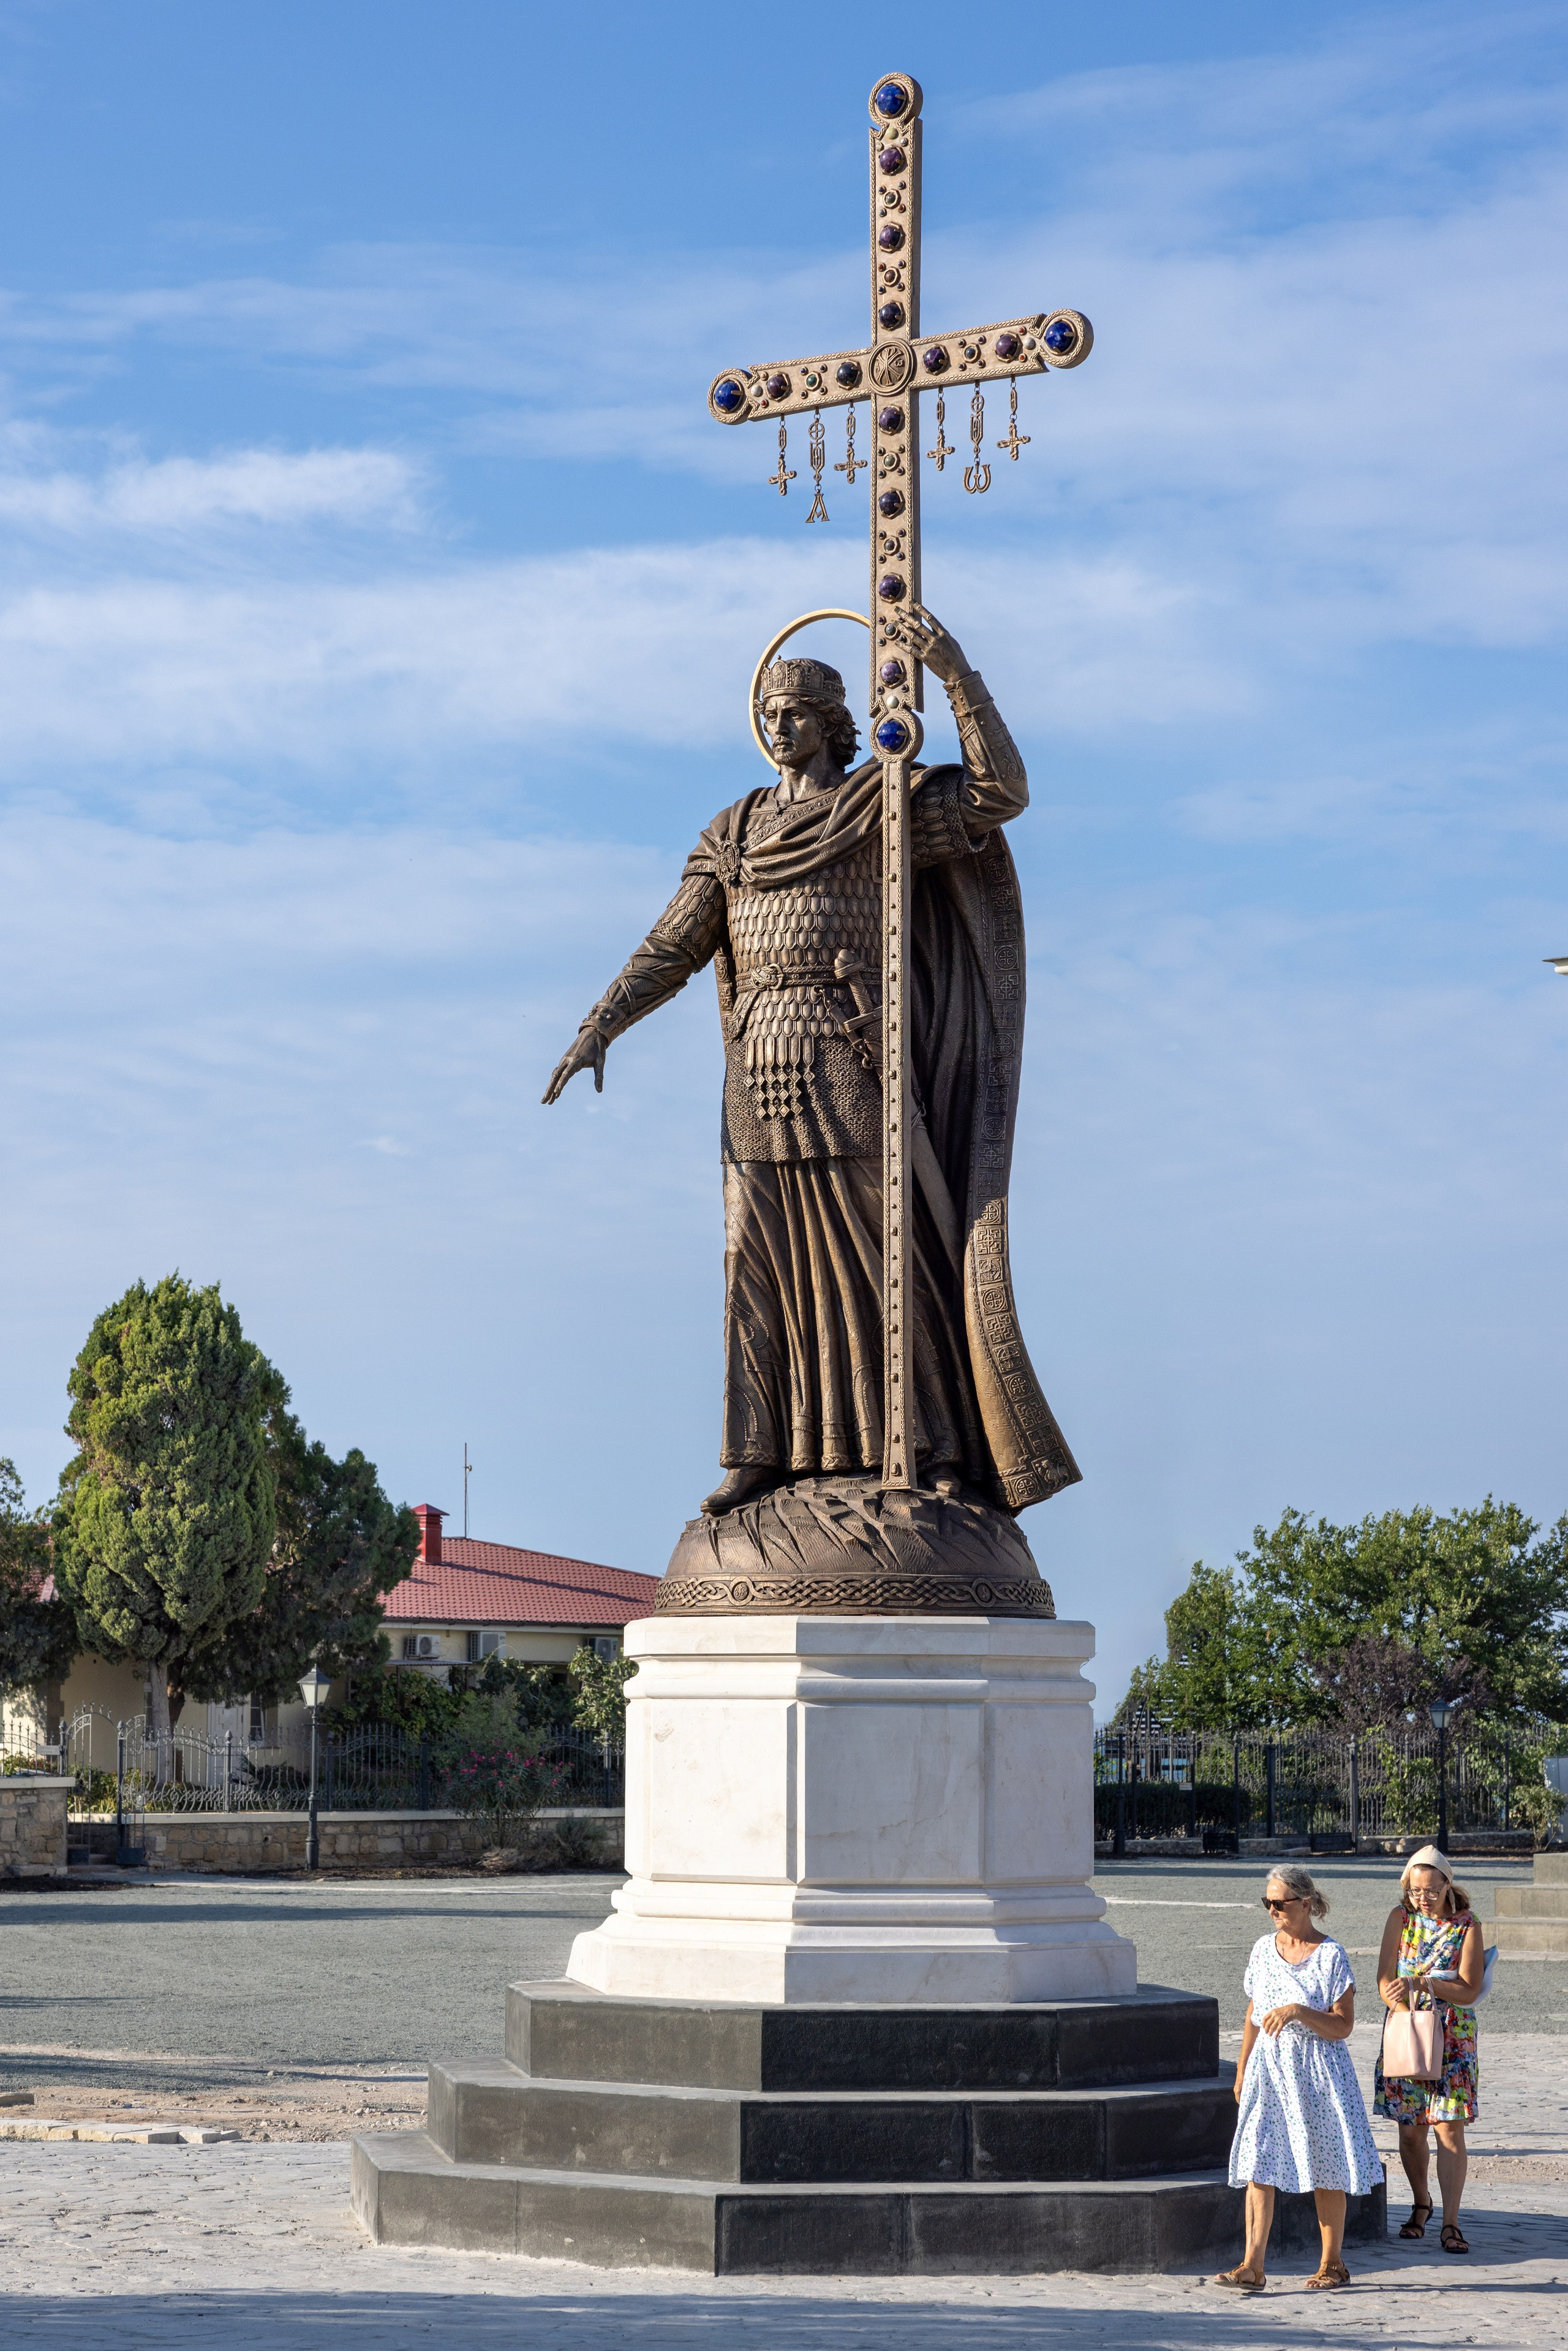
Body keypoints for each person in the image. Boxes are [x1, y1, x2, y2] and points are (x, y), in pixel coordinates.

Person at [541, 606, 1079, 1520]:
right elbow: (673, 944)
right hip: (758, 1062)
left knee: (888, 1250)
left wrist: (955, 674)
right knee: (758, 1259)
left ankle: (935, 1445)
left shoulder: (885, 804)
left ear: (833, 722)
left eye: (792, 711)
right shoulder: (734, 834)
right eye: (767, 713)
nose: (777, 727)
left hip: (851, 1049)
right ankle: (763, 1452)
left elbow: (1001, 793)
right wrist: (602, 1023)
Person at [1215, 1866, 1382, 2294]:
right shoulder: (1261, 1949)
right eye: (1267, 1903)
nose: (1272, 1910)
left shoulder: (1331, 1956)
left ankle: (1333, 2263)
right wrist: (1241, 2069)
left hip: (1319, 2073)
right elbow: (1254, 2016)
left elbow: (1343, 2026)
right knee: (1258, 2162)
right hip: (1268, 2073)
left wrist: (1298, 2012)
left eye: (1280, 1903)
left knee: (1326, 2167)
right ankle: (1252, 2265)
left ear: (1306, 1903)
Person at [1376, 1843, 1483, 2255]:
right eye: (1415, 1889)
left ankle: (1451, 2222)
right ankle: (1422, 2202)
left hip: (1453, 2038)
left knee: (1449, 2130)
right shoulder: (1400, 1918)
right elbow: (1385, 1979)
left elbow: (1470, 1988)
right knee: (1409, 2131)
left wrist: (1428, 1985)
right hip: (1407, 2031)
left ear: (1447, 1886)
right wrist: (1406, 2014)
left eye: (1430, 1890)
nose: (1422, 1897)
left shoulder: (1466, 1925)